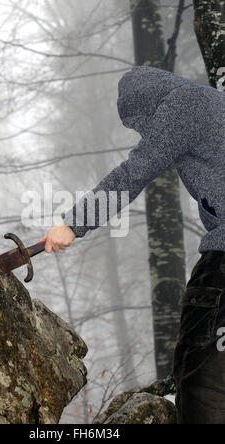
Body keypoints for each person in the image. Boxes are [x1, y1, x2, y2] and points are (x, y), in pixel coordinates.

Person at [38, 65, 225, 424]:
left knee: (201, 377)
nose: (146, 133)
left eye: (141, 125)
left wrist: (72, 225)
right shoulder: (213, 103)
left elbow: (132, 174)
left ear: (145, 107)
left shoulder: (181, 104)